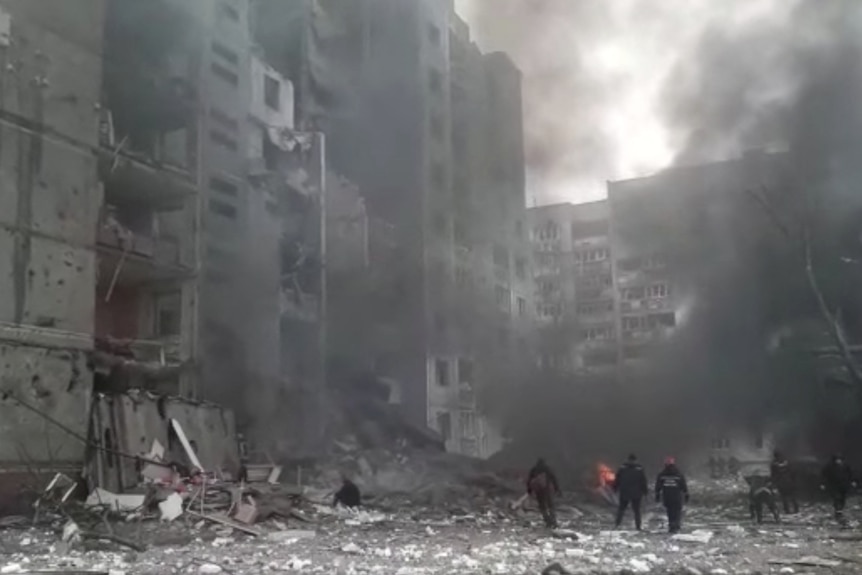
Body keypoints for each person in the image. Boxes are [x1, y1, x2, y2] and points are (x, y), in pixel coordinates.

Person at [614, 453, 648, 530]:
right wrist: (645, 491)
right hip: (636, 493)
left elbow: (617, 479)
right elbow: (643, 481)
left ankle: (617, 524)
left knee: (622, 509)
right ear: (635, 460)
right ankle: (638, 526)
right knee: (636, 510)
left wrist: (615, 488)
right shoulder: (639, 468)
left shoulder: (622, 468)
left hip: (625, 492)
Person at [655, 456, 688, 534]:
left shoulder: (662, 475)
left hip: (667, 496)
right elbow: (683, 485)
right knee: (677, 510)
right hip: (677, 496)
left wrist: (657, 494)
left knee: (670, 511)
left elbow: (658, 486)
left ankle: (671, 525)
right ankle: (676, 524)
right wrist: (686, 493)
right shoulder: (678, 474)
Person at [527, 458, 561, 528]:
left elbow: (529, 480)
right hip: (547, 490)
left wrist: (529, 490)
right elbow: (553, 479)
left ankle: (547, 521)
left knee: (542, 507)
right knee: (551, 505)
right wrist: (557, 489)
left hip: (539, 491)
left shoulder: (534, 469)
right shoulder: (547, 468)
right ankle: (553, 521)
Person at [821, 454, 855, 524]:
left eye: (840, 459)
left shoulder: (845, 466)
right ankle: (837, 511)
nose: (838, 461)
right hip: (834, 485)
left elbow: (851, 474)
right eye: (837, 459)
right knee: (836, 498)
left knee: (842, 498)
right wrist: (823, 483)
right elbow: (824, 475)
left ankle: (840, 510)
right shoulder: (829, 467)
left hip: (843, 485)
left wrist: (853, 481)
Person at [770, 450, 798, 514]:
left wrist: (773, 483)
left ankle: (787, 510)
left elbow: (773, 475)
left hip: (781, 482)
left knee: (784, 497)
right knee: (792, 496)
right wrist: (794, 481)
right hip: (789, 481)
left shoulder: (774, 465)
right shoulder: (787, 462)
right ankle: (796, 509)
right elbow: (793, 472)